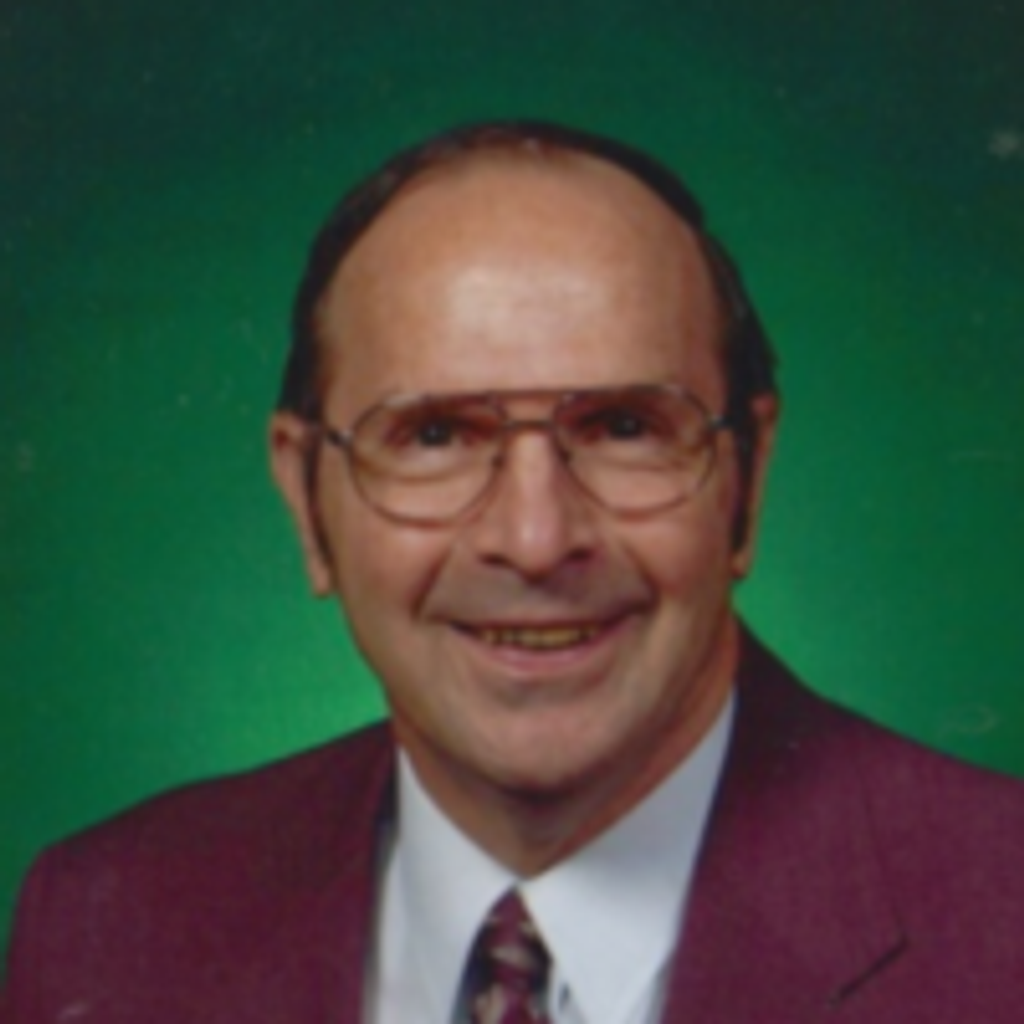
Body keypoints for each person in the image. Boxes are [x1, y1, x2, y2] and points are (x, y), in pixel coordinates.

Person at [3, 120, 1022, 1023]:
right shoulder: (107, 923)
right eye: (435, 434)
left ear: (746, 484)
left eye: (623, 426)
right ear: (307, 502)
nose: (535, 539)